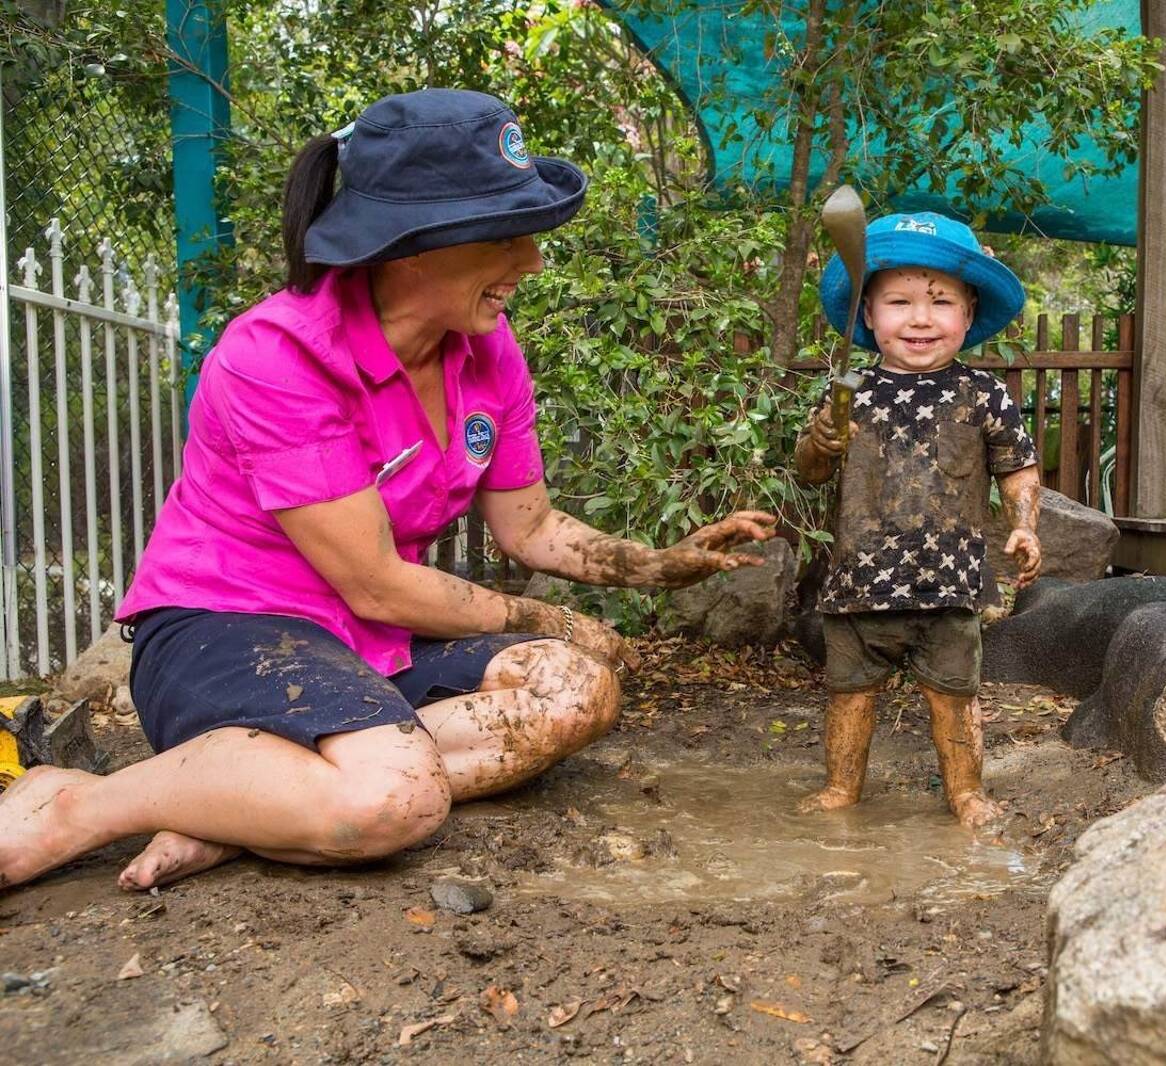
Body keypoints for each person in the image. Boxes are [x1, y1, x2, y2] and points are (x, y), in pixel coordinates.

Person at [0, 88, 775, 892]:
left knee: (577, 688)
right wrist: (552, 615)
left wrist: (656, 565)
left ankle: (243, 805)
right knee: (393, 800)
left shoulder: (485, 348)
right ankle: (78, 805)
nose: (532, 262)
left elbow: (531, 524)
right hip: (231, 627)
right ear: (414, 246)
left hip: (370, 642)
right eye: (507, 237)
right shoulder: (278, 355)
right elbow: (373, 581)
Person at [794, 212, 1041, 831]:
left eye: (941, 301)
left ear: (969, 312)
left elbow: (1018, 468)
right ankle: (841, 787)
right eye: (898, 302)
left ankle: (966, 791)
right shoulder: (849, 392)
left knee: (955, 699)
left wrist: (1024, 524)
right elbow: (811, 473)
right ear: (868, 315)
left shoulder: (984, 394)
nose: (921, 319)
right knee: (849, 694)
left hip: (951, 584)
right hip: (857, 582)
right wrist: (821, 441)